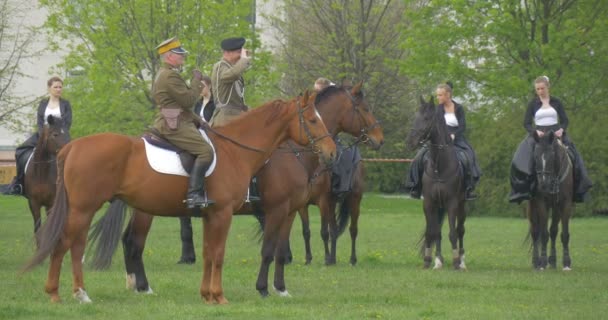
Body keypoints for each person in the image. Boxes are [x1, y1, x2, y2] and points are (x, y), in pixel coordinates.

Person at [152, 37, 214, 209]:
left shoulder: (166, 74)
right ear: (169, 56)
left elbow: (180, 105)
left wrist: (198, 120)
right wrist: (197, 82)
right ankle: (194, 195)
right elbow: (187, 101)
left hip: (177, 118)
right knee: (206, 152)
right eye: (180, 55)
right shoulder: (170, 75)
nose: (183, 58)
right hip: (174, 123)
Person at [509, 76, 592, 204]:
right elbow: (526, 123)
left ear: (548, 87)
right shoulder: (532, 103)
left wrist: (562, 130)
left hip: (556, 134)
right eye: (537, 89)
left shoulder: (557, 102)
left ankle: (577, 189)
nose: (540, 91)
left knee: (574, 155)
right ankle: (523, 191)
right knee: (521, 158)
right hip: (538, 135)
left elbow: (564, 120)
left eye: (542, 88)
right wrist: (534, 132)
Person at [405, 82, 481, 201]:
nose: (438, 98)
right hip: (438, 141)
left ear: (448, 95)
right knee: (418, 158)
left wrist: (454, 135)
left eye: (440, 95)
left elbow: (462, 126)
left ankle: (468, 189)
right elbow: (432, 126)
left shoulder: (459, 108)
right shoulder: (436, 110)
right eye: (437, 95)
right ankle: (415, 187)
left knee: (468, 158)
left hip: (457, 141)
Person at [5, 76, 72, 195]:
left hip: (60, 136)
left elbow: (67, 123)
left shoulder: (65, 104)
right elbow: (40, 122)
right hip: (42, 135)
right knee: (20, 151)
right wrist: (44, 137)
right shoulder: (43, 103)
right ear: (49, 88)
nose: (58, 89)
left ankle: (72, 184)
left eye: (60, 87)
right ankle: (19, 183)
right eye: (55, 87)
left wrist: (58, 136)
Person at [209, 37, 251, 127]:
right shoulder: (220, 66)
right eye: (239, 53)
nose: (241, 56)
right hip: (225, 119)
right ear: (227, 53)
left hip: (237, 116)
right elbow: (232, 75)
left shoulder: (231, 67)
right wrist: (243, 60)